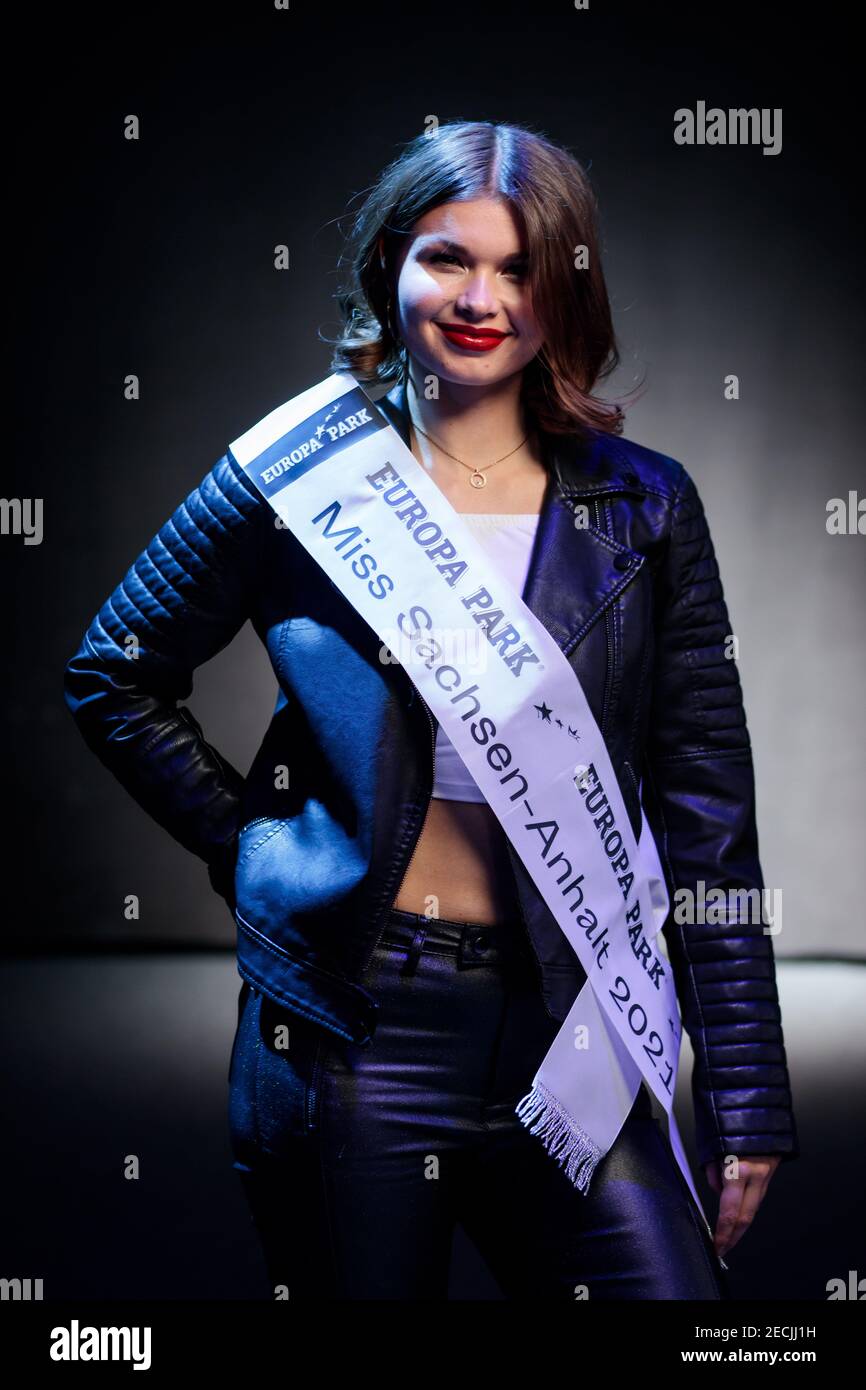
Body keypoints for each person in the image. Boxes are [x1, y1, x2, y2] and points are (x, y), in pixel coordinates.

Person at [63, 120, 799, 1300]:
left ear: (567, 289)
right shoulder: (297, 476)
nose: (480, 297)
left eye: (518, 268)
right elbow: (114, 671)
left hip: (572, 1028)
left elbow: (709, 812)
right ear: (389, 267)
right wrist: (257, 842)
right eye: (447, 258)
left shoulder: (645, 505)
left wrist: (749, 1088)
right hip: (358, 1029)